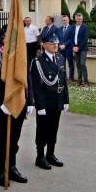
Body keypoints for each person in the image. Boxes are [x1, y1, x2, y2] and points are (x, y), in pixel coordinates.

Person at [0, 27, 30, 186]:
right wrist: (3, 102)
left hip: (19, 102)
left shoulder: (21, 54)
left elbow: (26, 78)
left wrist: (29, 100)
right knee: (3, 138)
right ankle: (1, 169)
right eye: (9, 37)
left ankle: (12, 167)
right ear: (3, 38)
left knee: (15, 138)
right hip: (3, 104)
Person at [31, 32, 69, 170]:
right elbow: (36, 86)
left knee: (54, 129)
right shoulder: (38, 62)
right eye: (52, 43)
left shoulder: (60, 58)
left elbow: (63, 80)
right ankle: (40, 156)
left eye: (56, 43)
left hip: (57, 100)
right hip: (46, 101)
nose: (55, 45)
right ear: (44, 45)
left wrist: (66, 99)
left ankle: (50, 154)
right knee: (43, 129)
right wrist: (40, 105)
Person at [70, 12, 89, 85]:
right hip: (75, 48)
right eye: (78, 19)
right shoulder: (72, 27)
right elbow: (70, 38)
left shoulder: (85, 27)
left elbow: (85, 39)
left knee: (82, 64)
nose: (80, 20)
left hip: (82, 48)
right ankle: (79, 81)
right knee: (78, 64)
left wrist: (78, 47)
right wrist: (73, 47)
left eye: (81, 19)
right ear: (75, 19)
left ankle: (86, 81)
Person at [58, 14, 74, 81]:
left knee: (70, 63)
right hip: (60, 49)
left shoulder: (72, 28)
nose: (64, 21)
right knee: (62, 64)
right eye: (63, 20)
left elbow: (71, 38)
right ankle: (63, 77)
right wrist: (59, 45)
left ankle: (71, 77)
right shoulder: (59, 29)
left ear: (68, 20)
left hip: (68, 49)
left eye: (65, 20)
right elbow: (57, 38)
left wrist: (65, 45)